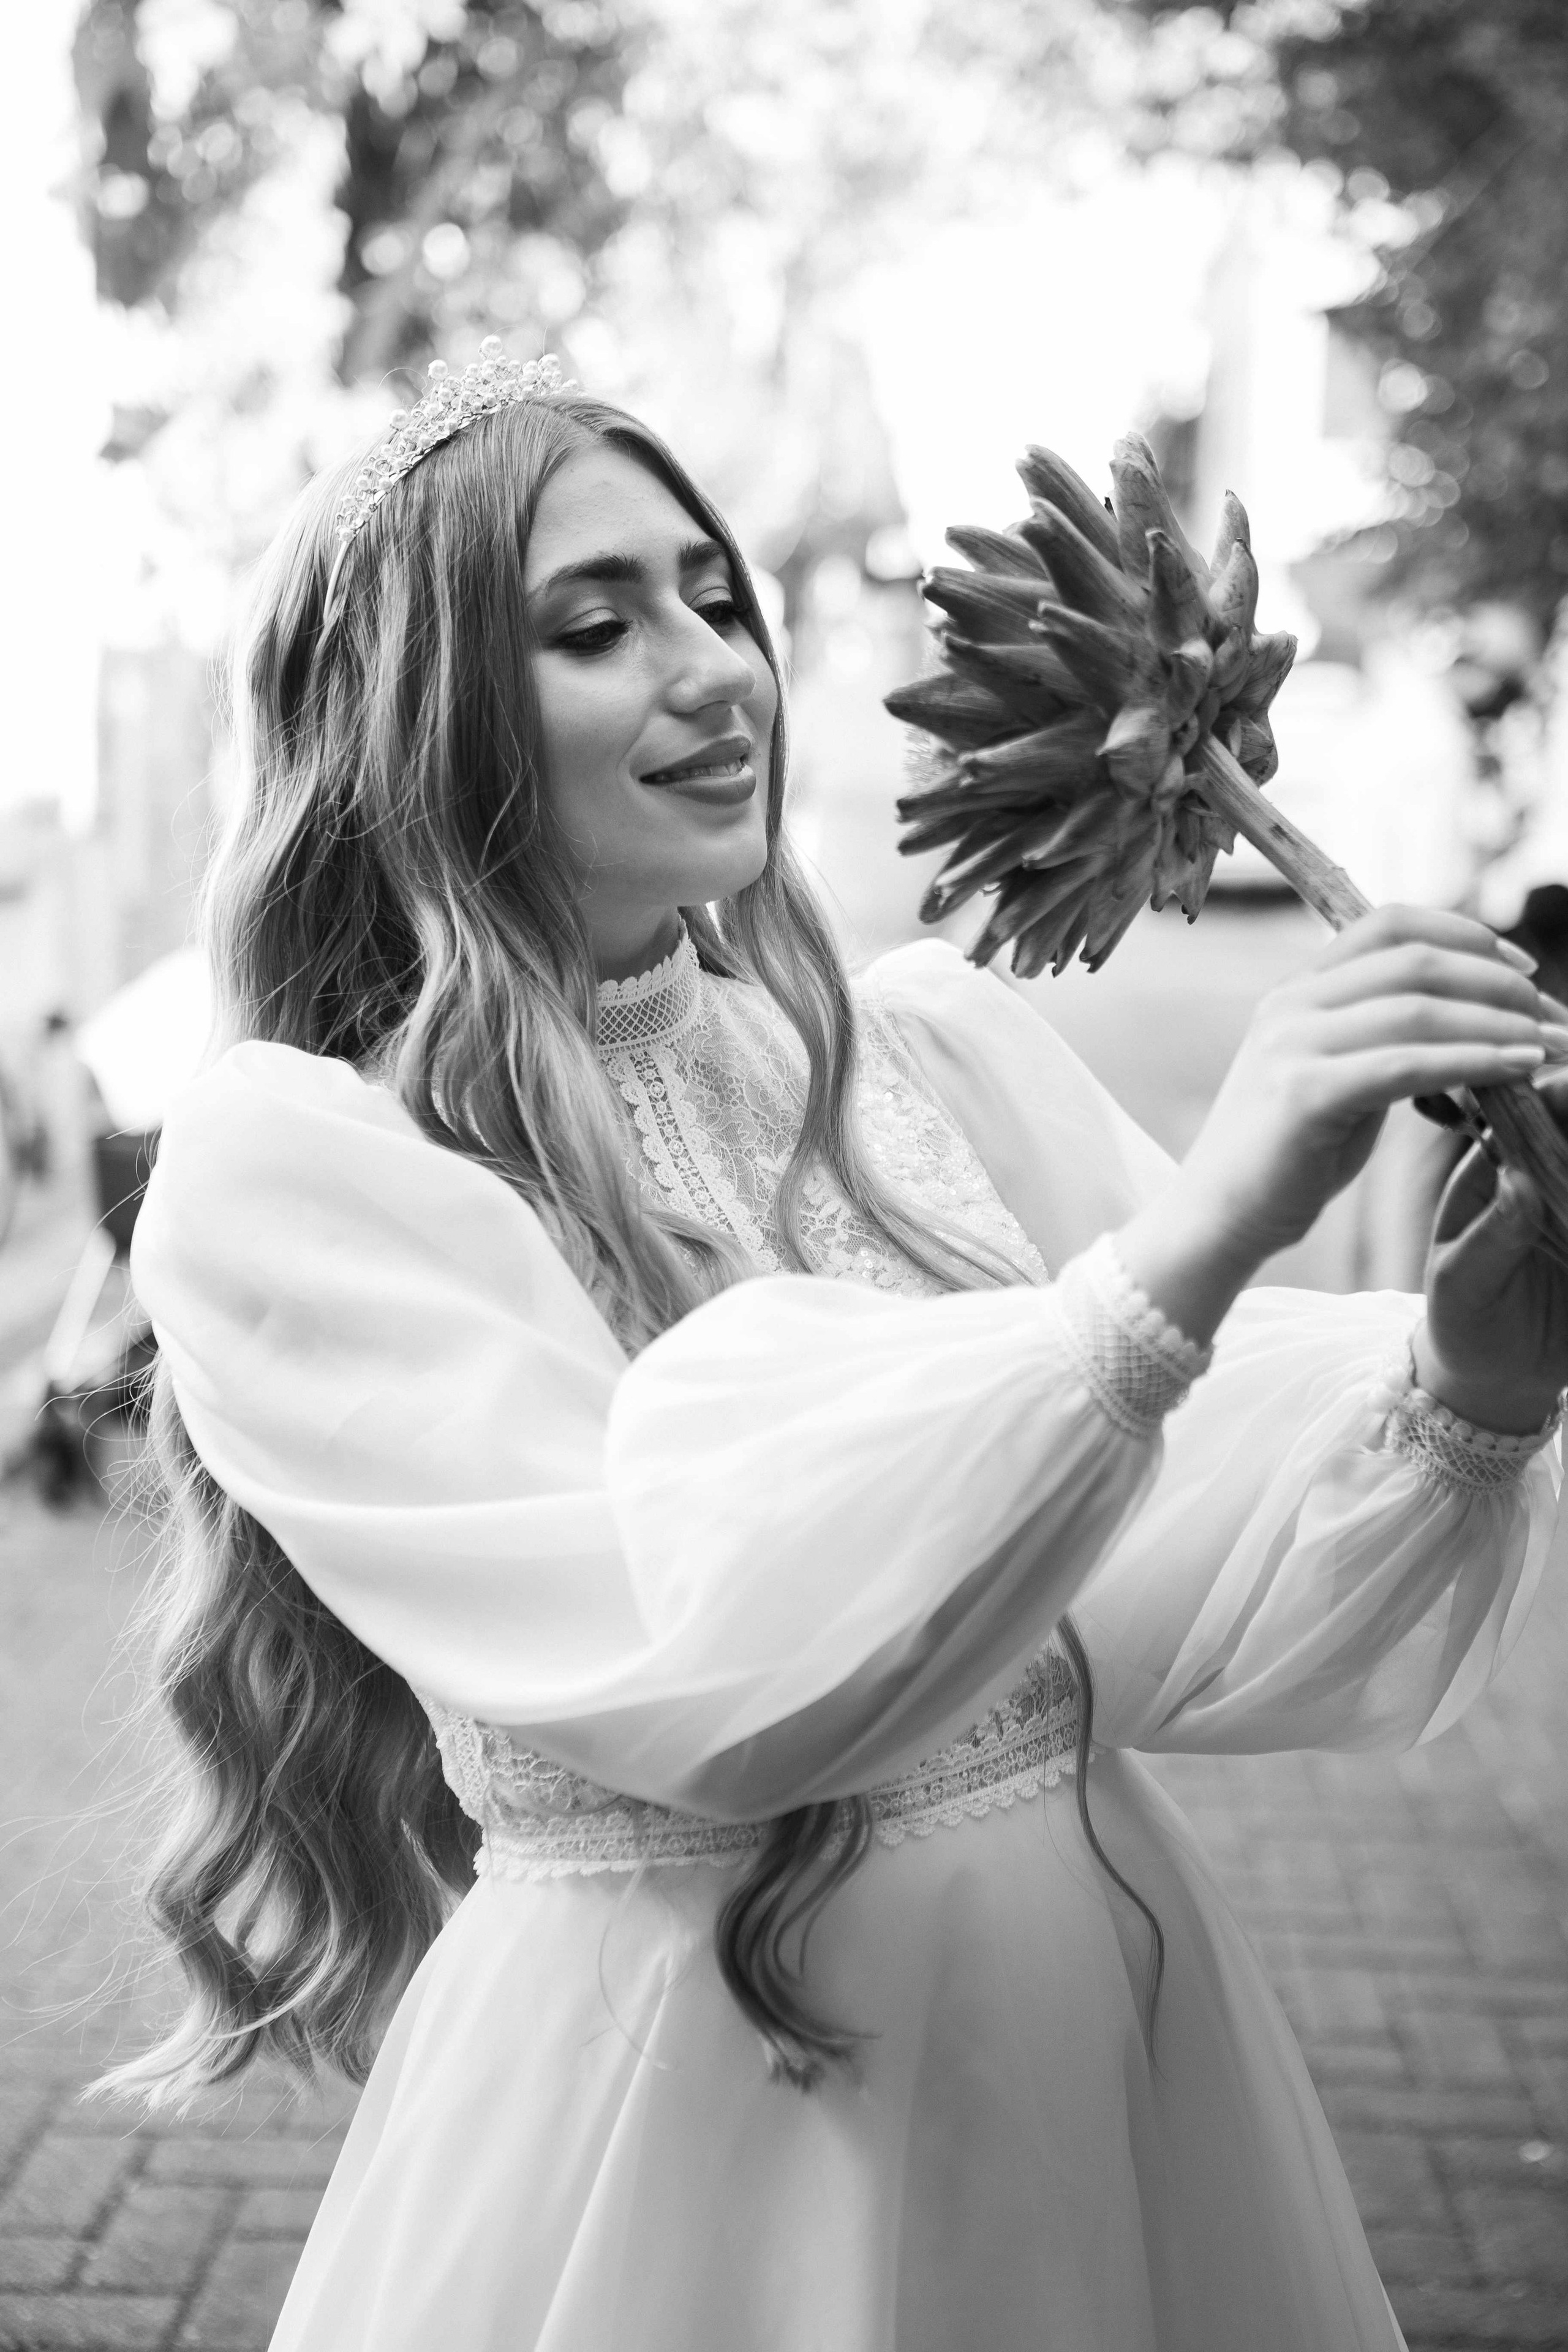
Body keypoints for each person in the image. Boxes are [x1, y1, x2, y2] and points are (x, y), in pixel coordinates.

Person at [113, 344, 1568, 2352]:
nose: (715, 668)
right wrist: (1208, 1222)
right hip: (702, 2118)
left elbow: (1145, 1603)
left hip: (1090, 2055)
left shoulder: (904, 1056)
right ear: (420, 720)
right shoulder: (295, 1167)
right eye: (596, 626)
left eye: (718, 598)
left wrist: (1469, 1372)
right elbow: (707, 1662)